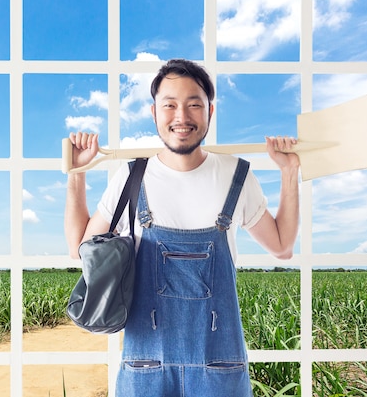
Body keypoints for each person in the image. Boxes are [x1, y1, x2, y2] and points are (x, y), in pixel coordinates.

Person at [65, 59, 299, 397]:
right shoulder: (132, 178)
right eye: (170, 105)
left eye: (194, 104)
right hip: (145, 367)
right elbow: (79, 248)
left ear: (210, 111)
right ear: (154, 112)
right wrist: (77, 173)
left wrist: (290, 174)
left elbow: (282, 247)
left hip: (220, 368)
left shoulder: (237, 176)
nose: (182, 116)